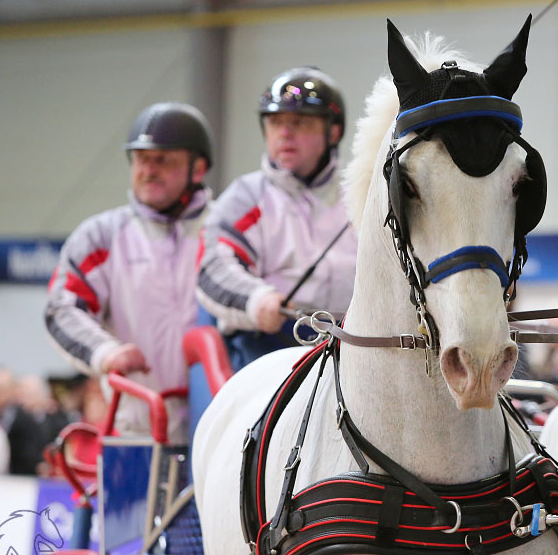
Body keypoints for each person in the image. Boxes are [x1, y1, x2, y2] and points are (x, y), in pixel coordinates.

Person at [44, 102, 214, 444]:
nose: (148, 170)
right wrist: (105, 352)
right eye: (140, 159)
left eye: (163, 159)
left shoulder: (225, 230)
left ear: (197, 169)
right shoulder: (100, 236)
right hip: (136, 432)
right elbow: (61, 310)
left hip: (223, 432)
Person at [197, 67, 357, 369]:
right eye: (275, 122)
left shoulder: (361, 193)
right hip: (269, 345)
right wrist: (257, 300)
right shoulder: (246, 195)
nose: (284, 133)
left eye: (299, 122)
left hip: (356, 344)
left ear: (333, 132)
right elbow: (213, 268)